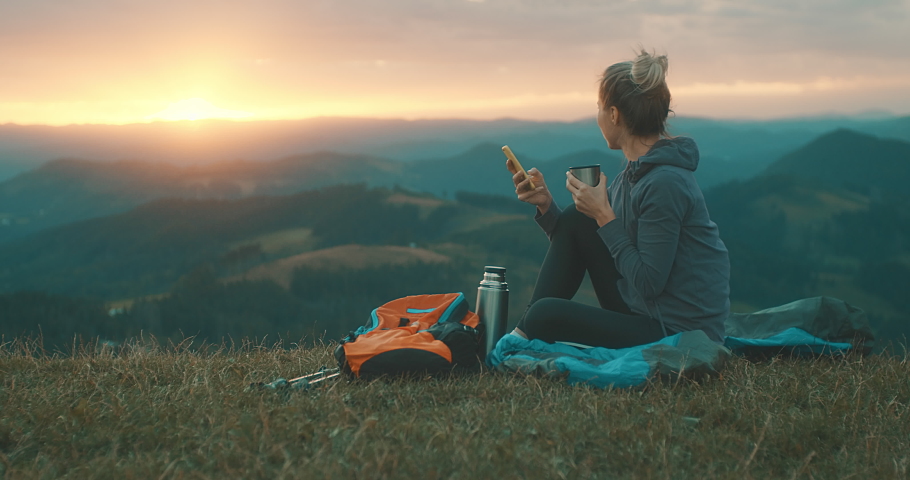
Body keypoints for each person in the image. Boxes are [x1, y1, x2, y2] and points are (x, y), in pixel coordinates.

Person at [507, 49, 730, 349]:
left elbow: (650, 283)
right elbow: (584, 246)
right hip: (647, 310)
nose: (598, 115)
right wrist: (545, 205)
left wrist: (604, 216)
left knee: (542, 316)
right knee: (575, 218)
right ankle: (520, 338)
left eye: (600, 107)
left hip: (676, 332)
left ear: (614, 114)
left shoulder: (665, 183)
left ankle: (520, 337)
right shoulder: (635, 172)